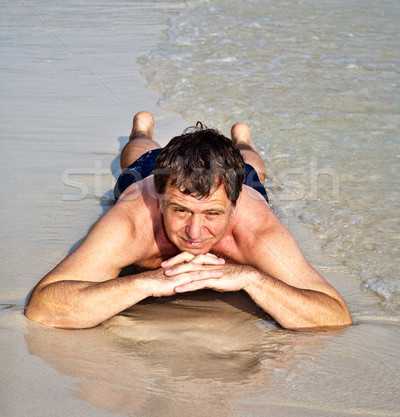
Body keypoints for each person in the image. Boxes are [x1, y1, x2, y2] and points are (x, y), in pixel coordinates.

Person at [25, 111, 352, 330]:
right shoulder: (133, 220)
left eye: (212, 214)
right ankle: (142, 128)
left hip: (238, 179)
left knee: (252, 170)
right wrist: (147, 282)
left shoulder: (255, 227)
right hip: (156, 169)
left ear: (234, 206)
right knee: (139, 154)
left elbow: (334, 315)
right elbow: (43, 307)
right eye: (181, 211)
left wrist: (252, 278)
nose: (195, 233)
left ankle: (244, 140)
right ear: (160, 198)